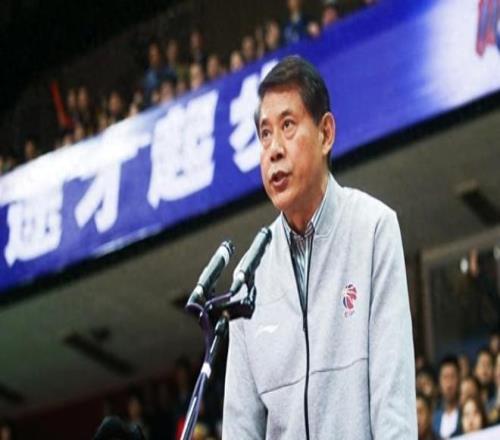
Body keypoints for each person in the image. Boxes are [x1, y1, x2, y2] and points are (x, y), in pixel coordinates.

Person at [222, 55, 416, 439]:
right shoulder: (249, 276)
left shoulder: (373, 229)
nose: (274, 149)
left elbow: (393, 406)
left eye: (287, 126)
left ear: (325, 134)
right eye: (264, 134)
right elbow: (240, 427)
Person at [432, 356, 461, 438]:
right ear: (439, 382)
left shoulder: (465, 413)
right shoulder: (434, 418)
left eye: (452, 377)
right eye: (445, 377)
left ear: (459, 380)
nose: (449, 384)